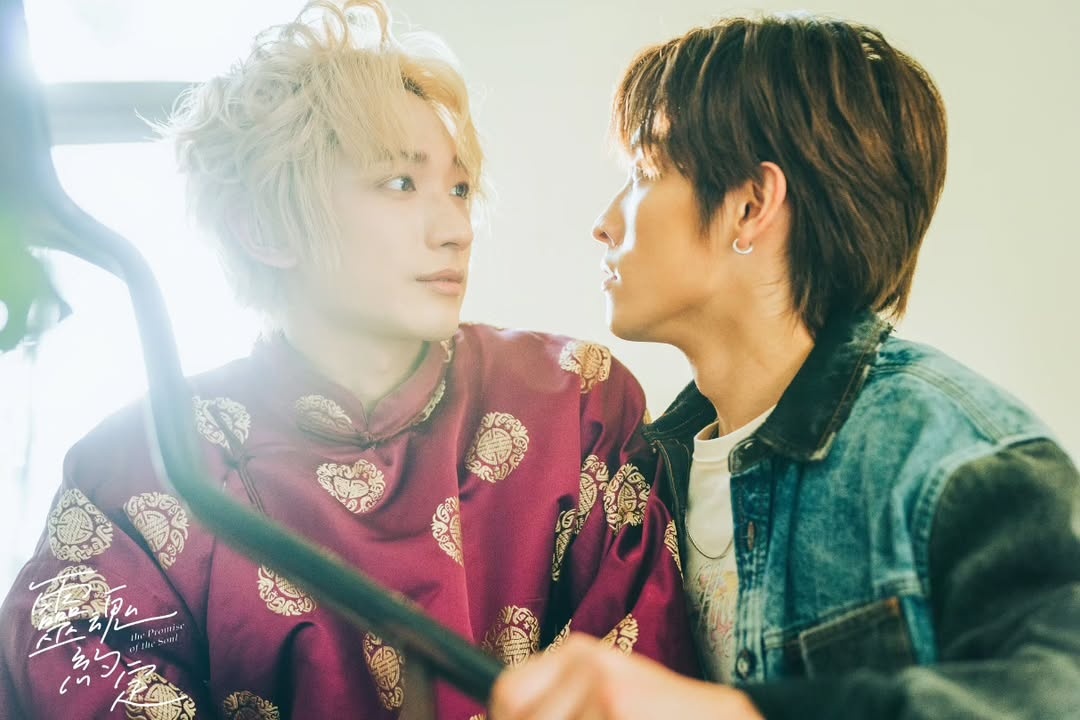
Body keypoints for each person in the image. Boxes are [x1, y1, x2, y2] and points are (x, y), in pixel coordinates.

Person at [0, 2, 697, 717]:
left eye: (459, 189)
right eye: (401, 183)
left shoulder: (572, 403)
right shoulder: (136, 471)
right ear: (265, 227)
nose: (457, 229)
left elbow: (641, 683)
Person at [489, 12, 1080, 720]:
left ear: (750, 206)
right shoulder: (636, 474)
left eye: (644, 172)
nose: (605, 222)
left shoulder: (953, 455)